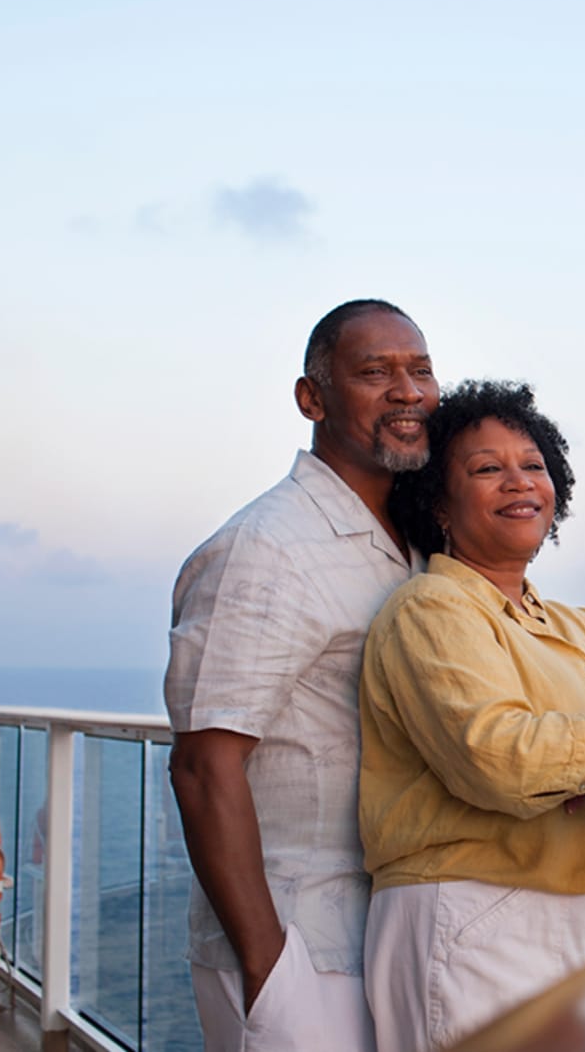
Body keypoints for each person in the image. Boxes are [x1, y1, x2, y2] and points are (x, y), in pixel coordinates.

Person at [359, 380, 585, 1052]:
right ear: (439, 502)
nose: (518, 482)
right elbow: (505, 759)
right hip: (475, 918)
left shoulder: (575, 626)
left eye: (532, 464)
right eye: (486, 468)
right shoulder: (430, 610)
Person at [164, 298, 439, 1052]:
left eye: (420, 369)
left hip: (379, 939)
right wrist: (267, 965)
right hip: (296, 948)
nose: (407, 390)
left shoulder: (416, 547)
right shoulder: (266, 547)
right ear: (311, 398)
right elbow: (201, 766)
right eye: (374, 372)